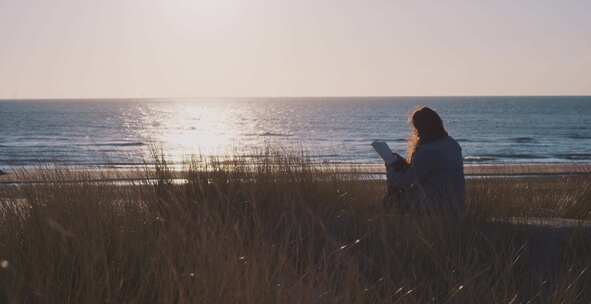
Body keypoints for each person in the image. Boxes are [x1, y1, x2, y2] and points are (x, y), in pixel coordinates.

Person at [385, 106, 465, 216]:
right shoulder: (452, 144)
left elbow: (404, 182)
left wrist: (390, 168)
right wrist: (405, 164)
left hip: (436, 208)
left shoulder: (428, 151)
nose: (416, 132)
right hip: (457, 206)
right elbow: (427, 172)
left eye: (416, 128)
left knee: (394, 196)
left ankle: (393, 229)